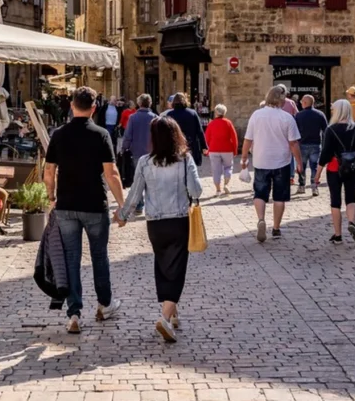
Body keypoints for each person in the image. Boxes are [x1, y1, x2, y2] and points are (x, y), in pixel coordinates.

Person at [43, 86, 125, 333]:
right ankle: (104, 305)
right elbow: (111, 173)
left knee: (71, 258)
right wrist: (122, 205)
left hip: (67, 204)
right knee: (99, 256)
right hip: (94, 204)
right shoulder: (100, 134)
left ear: (71, 105)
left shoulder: (58, 134)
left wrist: (51, 196)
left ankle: (74, 313)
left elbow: (49, 171)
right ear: (93, 108)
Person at [115, 116, 202, 342]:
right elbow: (197, 190)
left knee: (163, 265)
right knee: (177, 269)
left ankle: (172, 313)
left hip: (155, 223)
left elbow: (135, 194)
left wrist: (123, 215)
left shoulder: (145, 162)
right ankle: (164, 318)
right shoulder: (185, 159)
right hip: (179, 220)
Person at [241, 85, 302, 241]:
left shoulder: (257, 115)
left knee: (260, 193)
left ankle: (261, 219)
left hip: (261, 160)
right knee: (279, 196)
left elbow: (248, 139)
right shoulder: (287, 117)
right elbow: (293, 143)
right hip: (281, 161)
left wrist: (243, 158)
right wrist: (299, 162)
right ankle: (276, 228)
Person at [314, 99, 355, 244]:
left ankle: (337, 235)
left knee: (335, 201)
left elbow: (325, 154)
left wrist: (317, 173)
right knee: (351, 198)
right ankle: (351, 222)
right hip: (353, 169)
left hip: (334, 168)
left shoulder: (331, 130)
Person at [295, 94, 327, 197]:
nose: (301, 103)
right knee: (314, 167)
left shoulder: (299, 115)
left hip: (302, 144)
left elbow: (294, 131)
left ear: (305, 103)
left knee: (302, 166)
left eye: (301, 102)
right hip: (315, 144)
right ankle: (314, 187)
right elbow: (325, 130)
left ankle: (301, 185)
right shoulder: (320, 114)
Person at [204, 104, 238, 195]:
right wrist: (235, 150)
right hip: (227, 149)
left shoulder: (211, 124)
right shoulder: (228, 123)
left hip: (214, 149)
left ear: (216, 113)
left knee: (216, 170)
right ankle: (226, 184)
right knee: (228, 167)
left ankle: (218, 190)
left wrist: (206, 149)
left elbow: (206, 137)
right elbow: (234, 138)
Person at [167, 93, 207, 167]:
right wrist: (204, 146)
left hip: (176, 145)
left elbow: (166, 133)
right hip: (191, 145)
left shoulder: (170, 114)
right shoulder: (192, 113)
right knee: (191, 167)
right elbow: (199, 131)